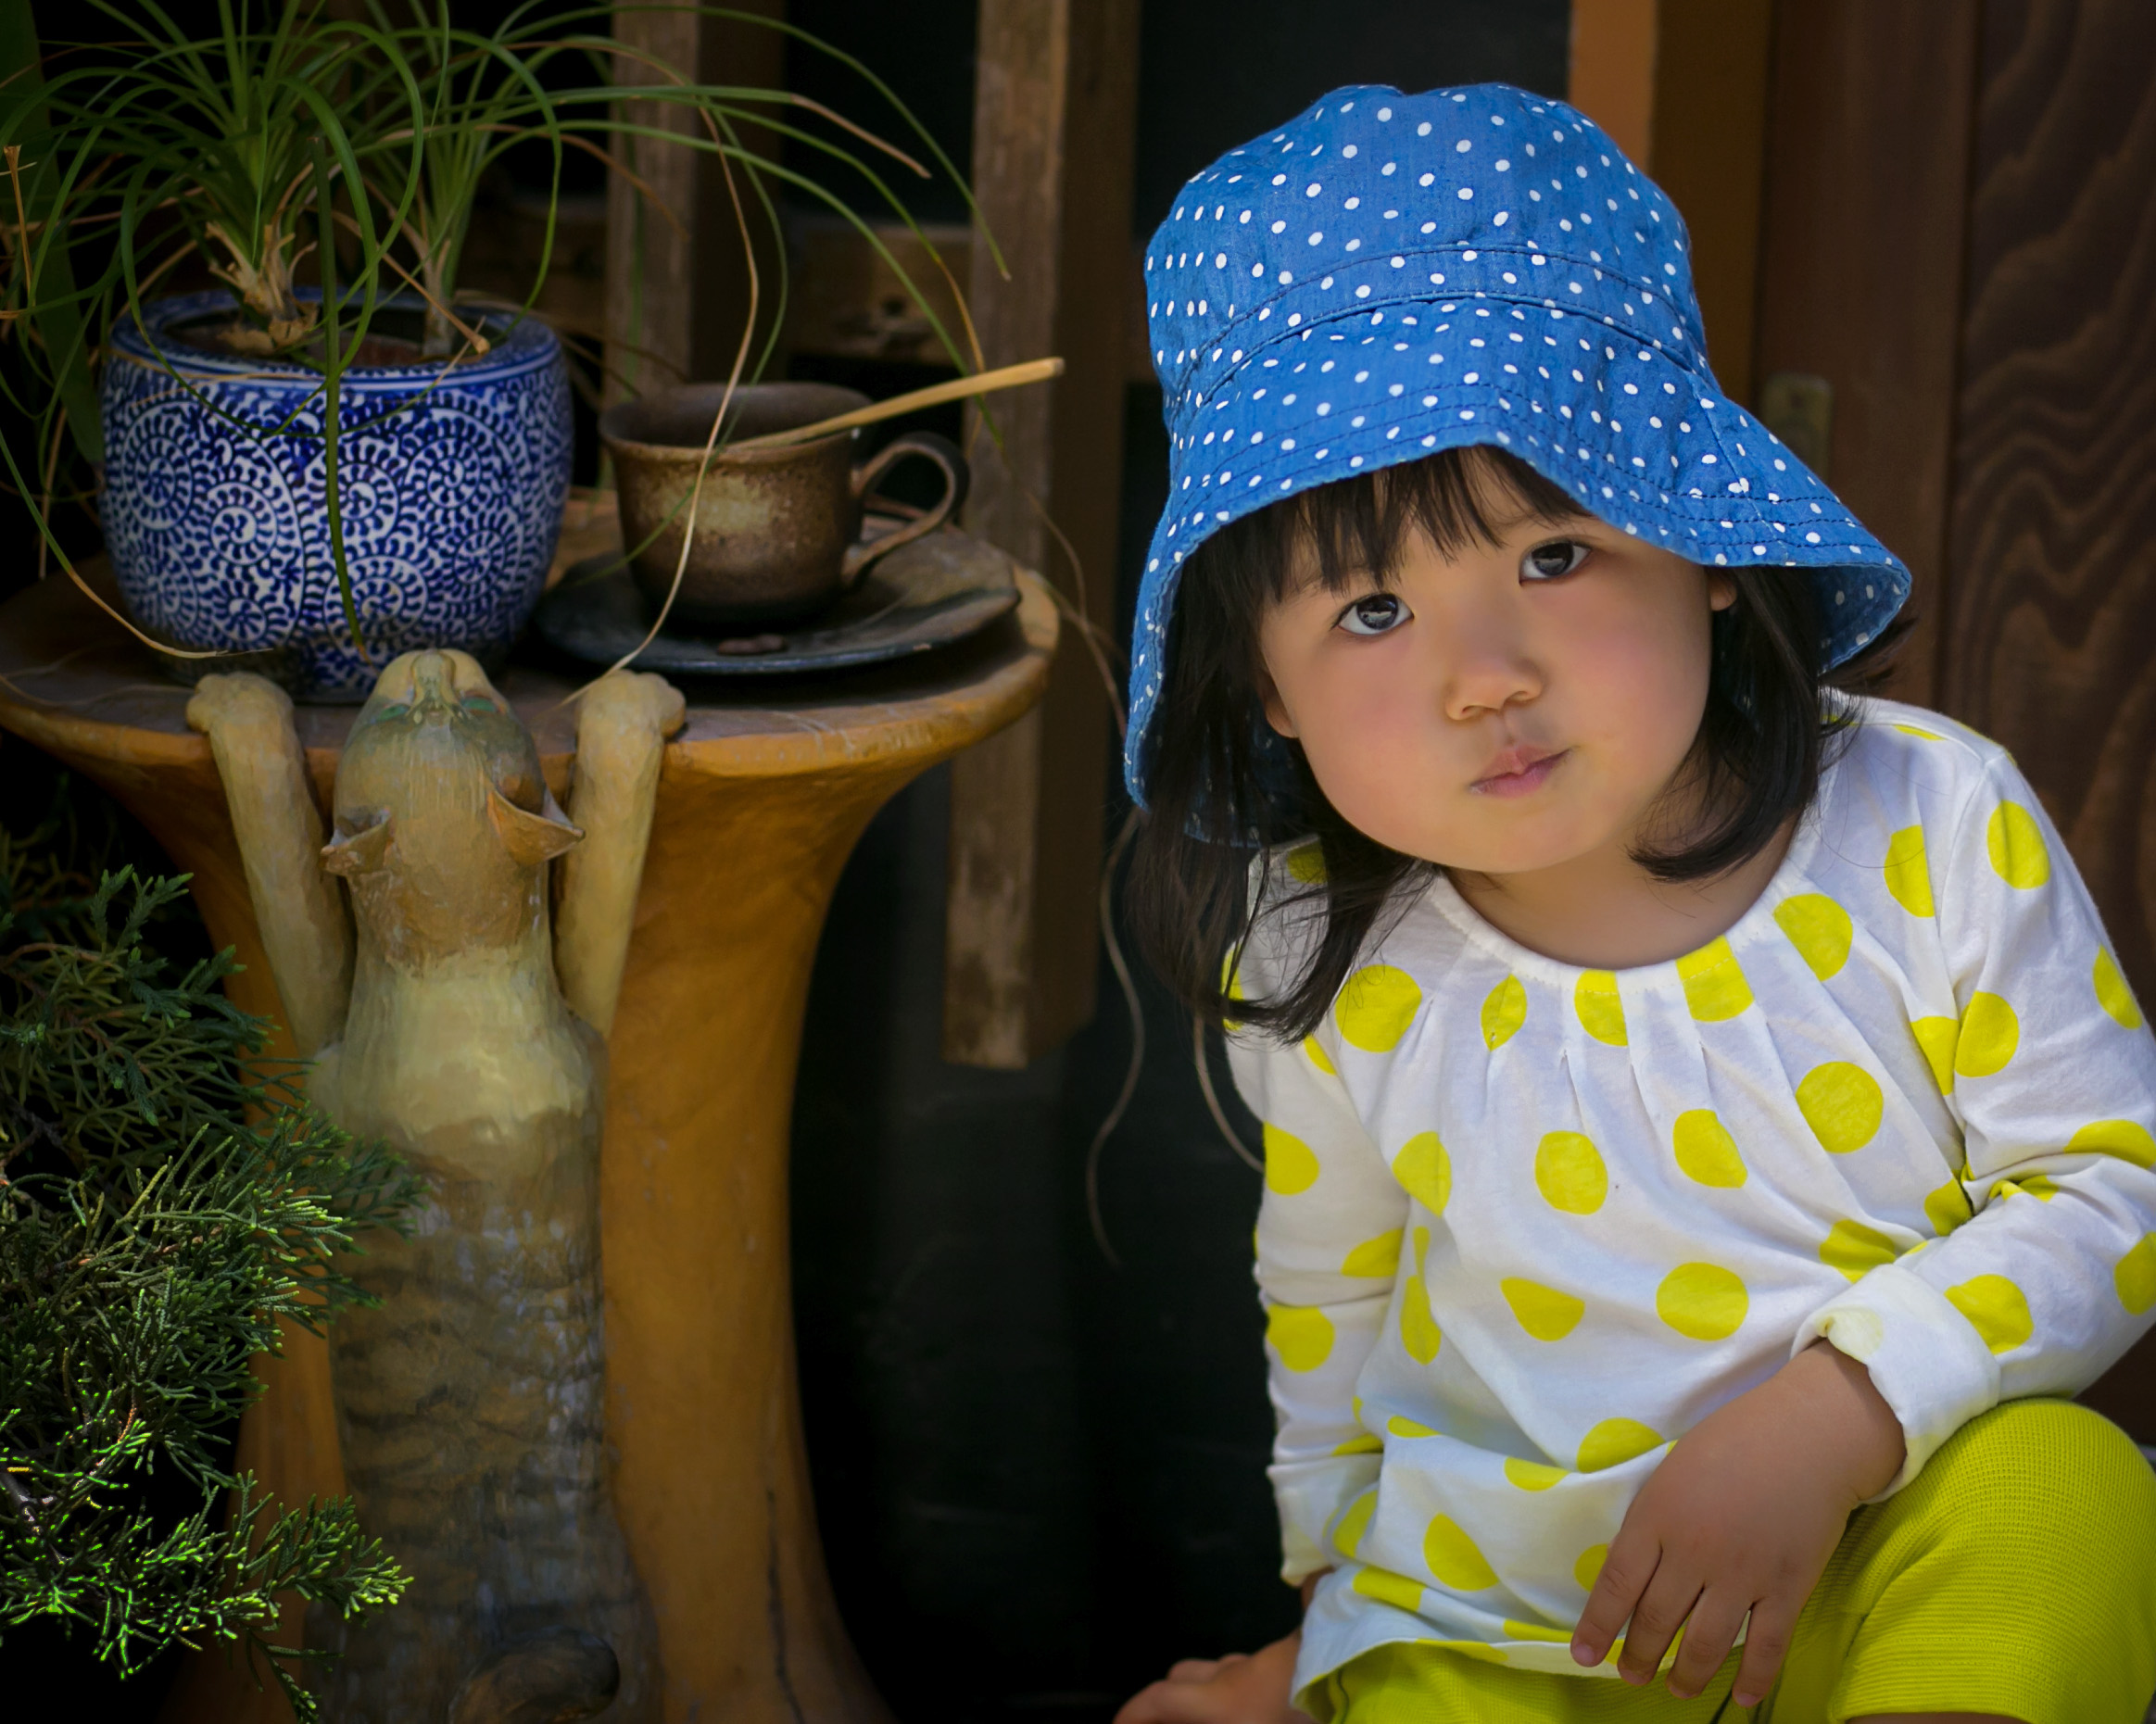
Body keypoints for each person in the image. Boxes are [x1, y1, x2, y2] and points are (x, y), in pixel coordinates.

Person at [1112, 82, 2156, 1724]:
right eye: (1373, 610)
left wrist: (1836, 1415)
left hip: (1867, 1568)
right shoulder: (1326, 943)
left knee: (2068, 1492)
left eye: (1551, 556)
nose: (1485, 677)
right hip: (1518, 1628)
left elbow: (2112, 1183)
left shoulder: (1929, 821)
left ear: (1706, 536)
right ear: (1268, 690)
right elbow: (1331, 1293)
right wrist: (1325, 1622)